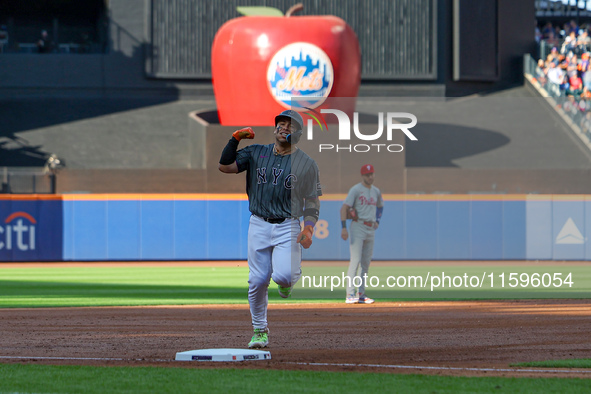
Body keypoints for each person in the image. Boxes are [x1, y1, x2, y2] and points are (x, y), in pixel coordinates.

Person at [218, 109, 322, 349]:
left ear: (298, 134)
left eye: (291, 125)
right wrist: (235, 138)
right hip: (258, 223)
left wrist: (309, 229)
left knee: (283, 276)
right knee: (257, 280)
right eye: (281, 123)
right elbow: (225, 166)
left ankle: (288, 280)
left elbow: (312, 200)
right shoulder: (257, 153)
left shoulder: (306, 164)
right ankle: (259, 330)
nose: (284, 127)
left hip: (288, 225)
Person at [340, 164, 384, 305]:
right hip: (358, 226)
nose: (370, 176)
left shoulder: (376, 191)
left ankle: (361, 294)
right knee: (356, 260)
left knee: (366, 263)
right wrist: (344, 228)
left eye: (372, 173)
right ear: (363, 176)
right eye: (367, 174)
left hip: (371, 228)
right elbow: (344, 208)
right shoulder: (356, 189)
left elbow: (380, 206)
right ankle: (349, 294)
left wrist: (377, 220)